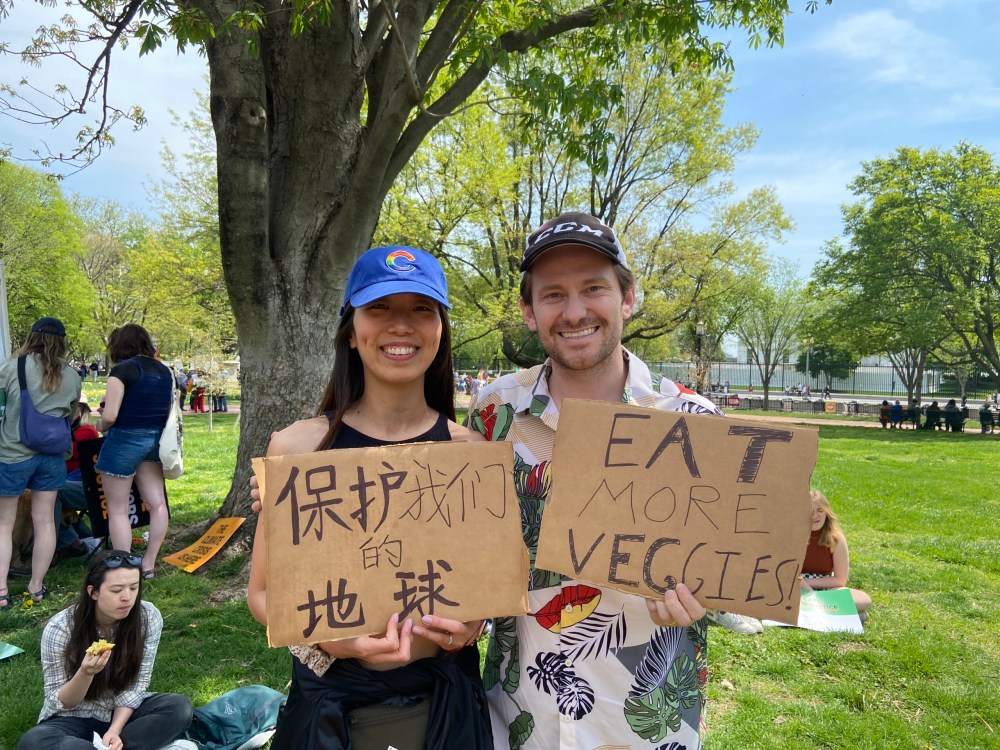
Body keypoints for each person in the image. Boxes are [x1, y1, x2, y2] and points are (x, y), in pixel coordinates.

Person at [467, 213, 720, 748]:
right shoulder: (492, 414)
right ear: (529, 312)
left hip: (642, 722)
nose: (575, 311)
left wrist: (707, 597)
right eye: (553, 294)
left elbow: (733, 576)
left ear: (627, 298)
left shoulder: (693, 423)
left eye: (594, 289)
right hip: (518, 717)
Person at [248, 246, 491, 750]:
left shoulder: (471, 453)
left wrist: (471, 624)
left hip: (448, 705)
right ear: (351, 332)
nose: (401, 325)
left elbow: (482, 591)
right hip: (332, 709)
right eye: (379, 308)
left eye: (421, 309)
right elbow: (264, 595)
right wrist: (331, 639)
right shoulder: (299, 447)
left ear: (440, 331)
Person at [16, 550, 193, 750]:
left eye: (134, 588)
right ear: (93, 592)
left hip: (122, 714)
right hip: (73, 717)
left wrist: (115, 730)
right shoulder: (61, 627)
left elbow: (136, 686)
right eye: (117, 590)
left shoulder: (147, 617)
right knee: (33, 741)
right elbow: (61, 702)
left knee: (178, 707)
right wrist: (85, 673)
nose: (127, 597)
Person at [0, 317, 81, 609]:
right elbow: (72, 416)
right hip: (52, 456)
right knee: (45, 521)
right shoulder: (72, 376)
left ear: (31, 337)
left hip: (12, 453)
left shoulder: (11, 367)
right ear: (62, 341)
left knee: (4, 523)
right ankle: (36, 587)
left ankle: (1, 591)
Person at [95, 324, 173, 579]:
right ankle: (149, 564)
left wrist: (99, 424)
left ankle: (124, 567)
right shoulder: (164, 371)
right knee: (157, 504)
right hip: (155, 441)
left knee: (118, 509)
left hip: (124, 441)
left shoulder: (122, 370)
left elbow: (110, 415)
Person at [801, 490, 872, 621]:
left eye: (820, 510)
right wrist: (803, 585)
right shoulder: (793, 536)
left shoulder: (836, 538)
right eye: (810, 511)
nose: (815, 516)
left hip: (824, 588)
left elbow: (840, 580)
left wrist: (812, 591)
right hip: (796, 586)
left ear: (827, 512)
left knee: (863, 599)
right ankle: (838, 612)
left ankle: (813, 608)